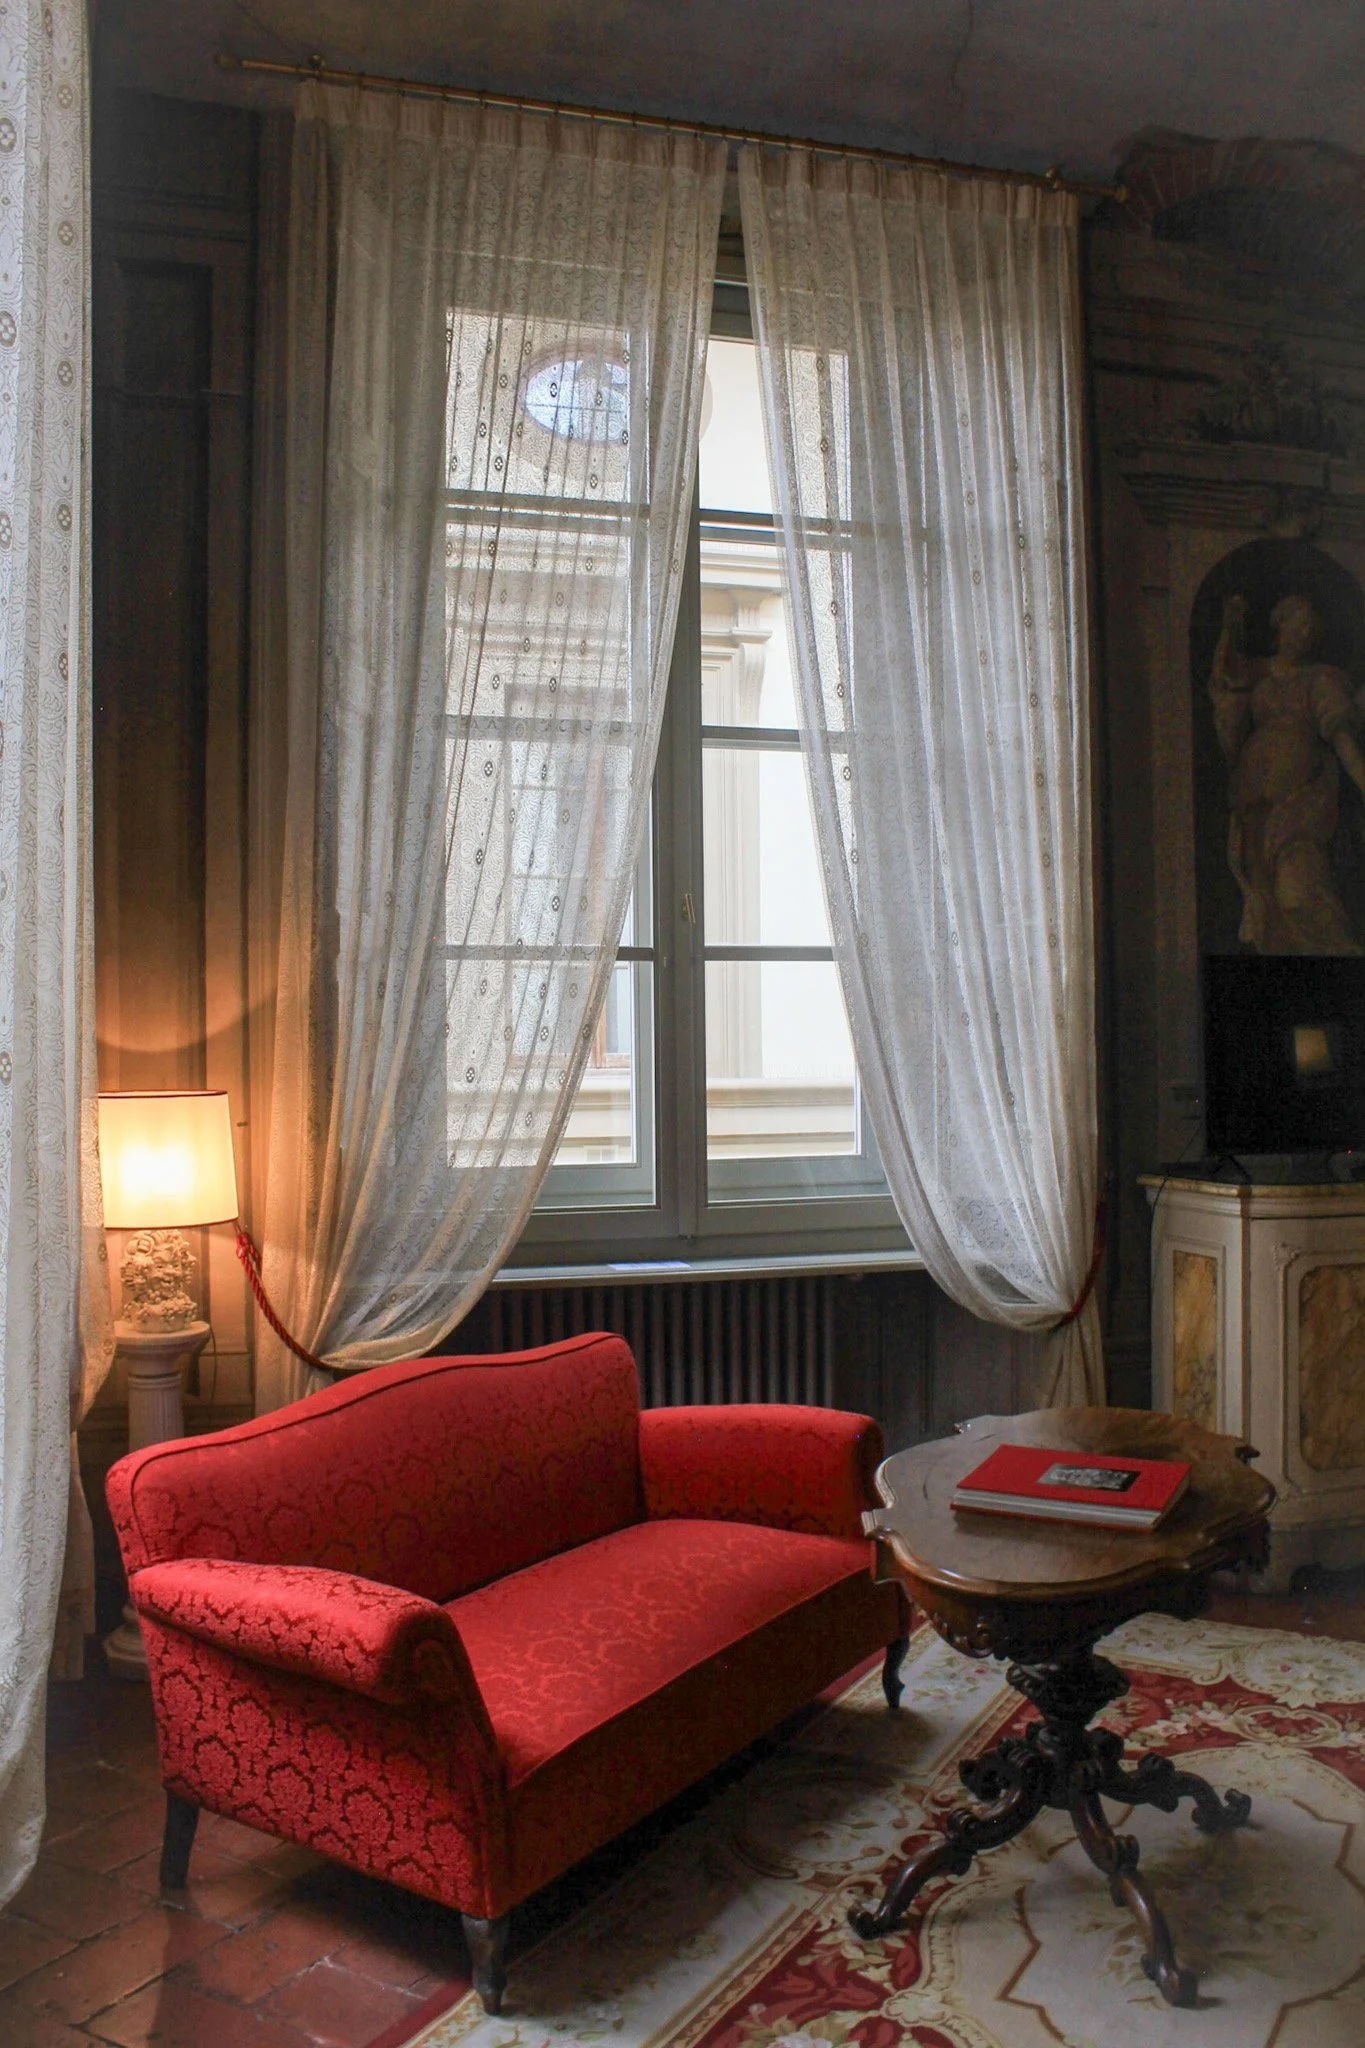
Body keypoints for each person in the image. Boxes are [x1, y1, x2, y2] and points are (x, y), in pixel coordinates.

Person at [1209, 590, 1365, 954]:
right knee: (1266, 911)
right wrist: (1230, 626)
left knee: (1299, 890)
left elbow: (1343, 742)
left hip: (1302, 805)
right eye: (1301, 624)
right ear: (1281, 623)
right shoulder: (1259, 673)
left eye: (1312, 629)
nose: (1307, 634)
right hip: (1255, 804)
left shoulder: (1320, 680)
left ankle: (1345, 964)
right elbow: (1226, 674)